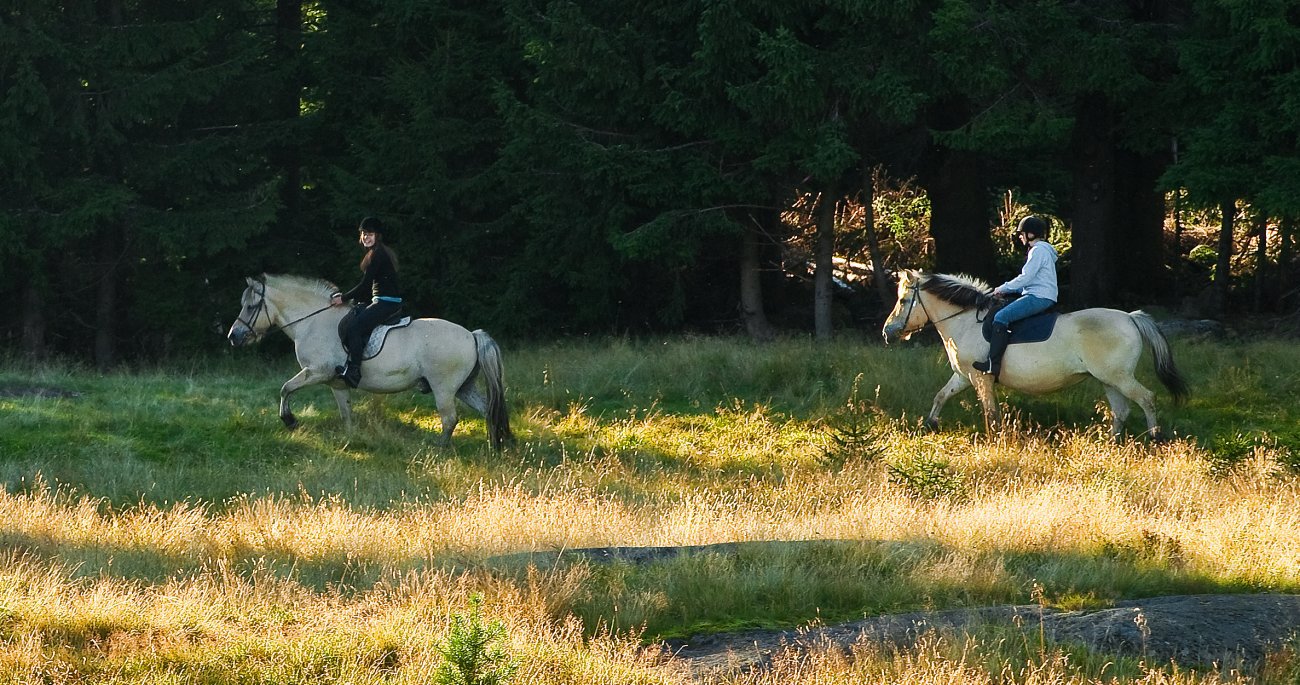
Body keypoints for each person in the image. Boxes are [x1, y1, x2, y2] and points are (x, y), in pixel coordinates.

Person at [972, 215, 1059, 380]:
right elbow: (1031, 280)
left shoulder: (1038, 250)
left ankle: (993, 364)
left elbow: (1025, 278)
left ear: (1031, 234)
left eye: (1022, 233)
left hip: (1038, 297)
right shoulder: (1043, 250)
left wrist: (1002, 288)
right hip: (1039, 294)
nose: (1020, 236)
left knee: (1001, 317)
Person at [331, 216, 402, 388]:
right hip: (380, 300)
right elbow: (372, 286)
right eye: (363, 234)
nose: (365, 237)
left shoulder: (378, 254)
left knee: (354, 328)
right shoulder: (375, 253)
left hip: (387, 303)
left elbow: (365, 284)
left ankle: (354, 371)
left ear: (377, 235)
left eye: (369, 234)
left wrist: (343, 298)